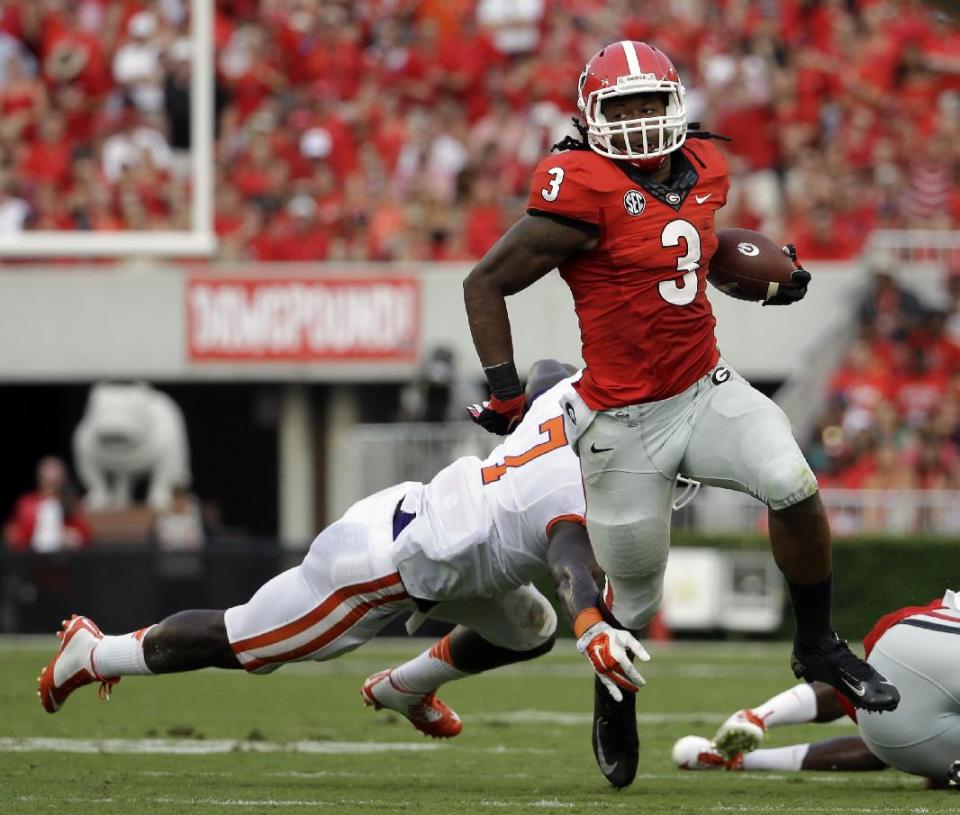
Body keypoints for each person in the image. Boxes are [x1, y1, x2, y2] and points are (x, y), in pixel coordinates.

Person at [461, 40, 899, 788]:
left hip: (706, 388)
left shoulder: (704, 167)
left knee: (793, 483)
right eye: (620, 107)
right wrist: (505, 391)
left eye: (647, 104)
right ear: (590, 117)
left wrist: (768, 277)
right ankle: (614, 689)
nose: (636, 121)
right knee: (633, 597)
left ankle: (819, 643)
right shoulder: (580, 186)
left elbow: (693, 248)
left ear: (676, 106)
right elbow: (485, 281)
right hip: (622, 420)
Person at [38, 360, 647, 775]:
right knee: (242, 641)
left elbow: (546, 374)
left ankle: (405, 687)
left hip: (431, 535)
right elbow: (571, 563)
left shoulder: (560, 413)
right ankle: (95, 654)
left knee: (529, 629)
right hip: (376, 571)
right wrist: (593, 624)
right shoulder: (573, 485)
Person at [672, 589, 960, 791]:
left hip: (913, 629)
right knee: (899, 722)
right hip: (945, 644)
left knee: (874, 695)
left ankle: (754, 724)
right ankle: (743, 758)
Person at [5, 456, 92, 552]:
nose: (53, 486)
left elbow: (84, 533)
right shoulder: (27, 503)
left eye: (56, 482)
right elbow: (17, 535)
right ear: (41, 479)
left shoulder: (70, 503)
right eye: (50, 483)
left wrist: (73, 537)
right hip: (32, 558)